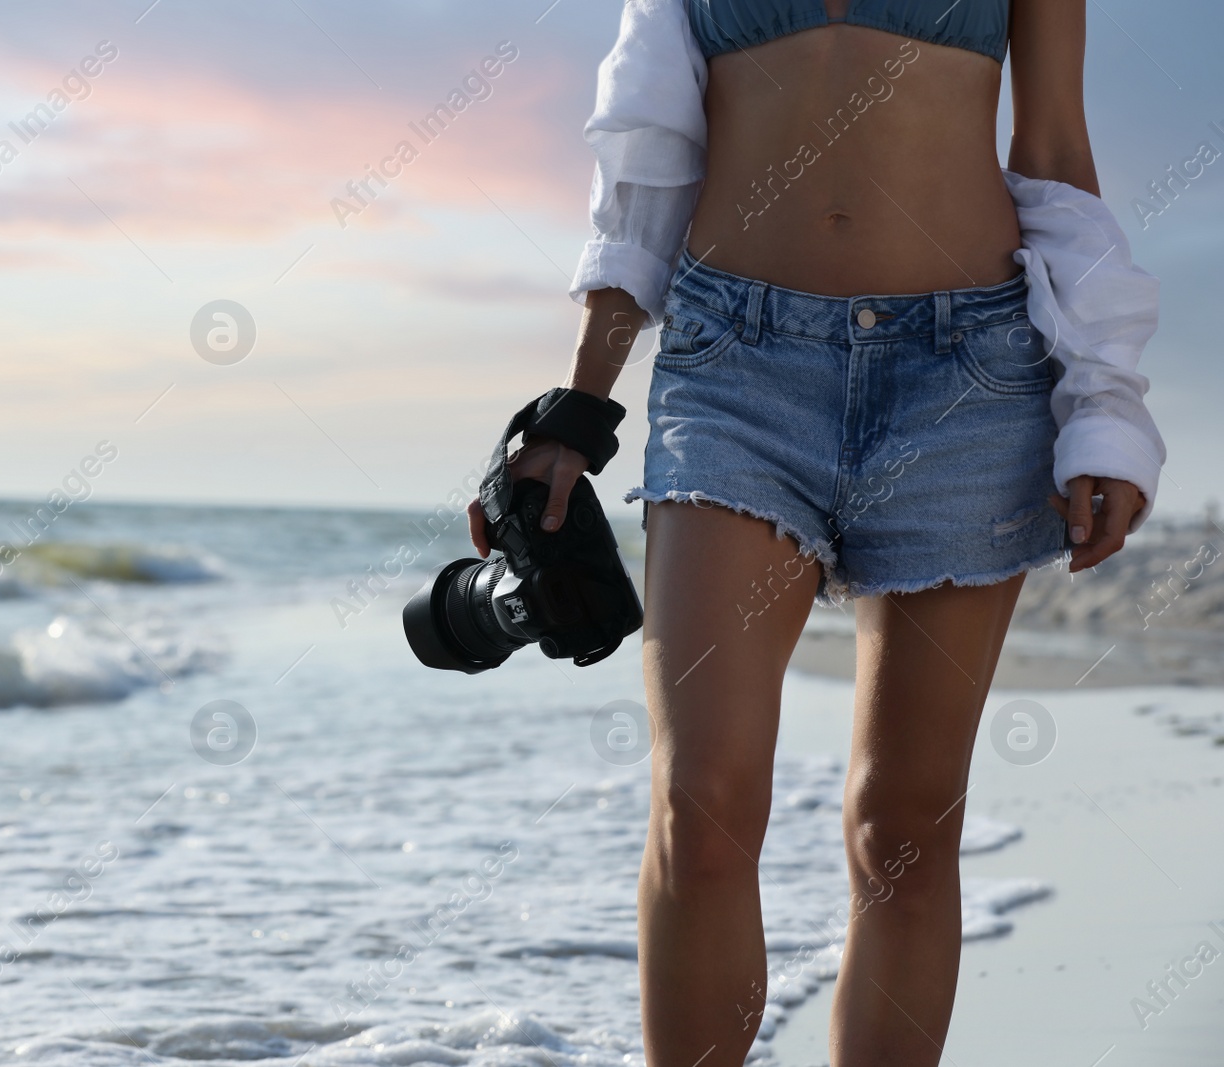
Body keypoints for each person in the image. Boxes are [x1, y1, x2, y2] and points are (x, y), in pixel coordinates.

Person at [468, 1, 1165, 1064]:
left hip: (967, 377)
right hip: (733, 373)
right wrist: (577, 407)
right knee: (699, 801)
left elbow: (1055, 150)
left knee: (903, 830)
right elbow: (647, 162)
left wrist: (1104, 403)